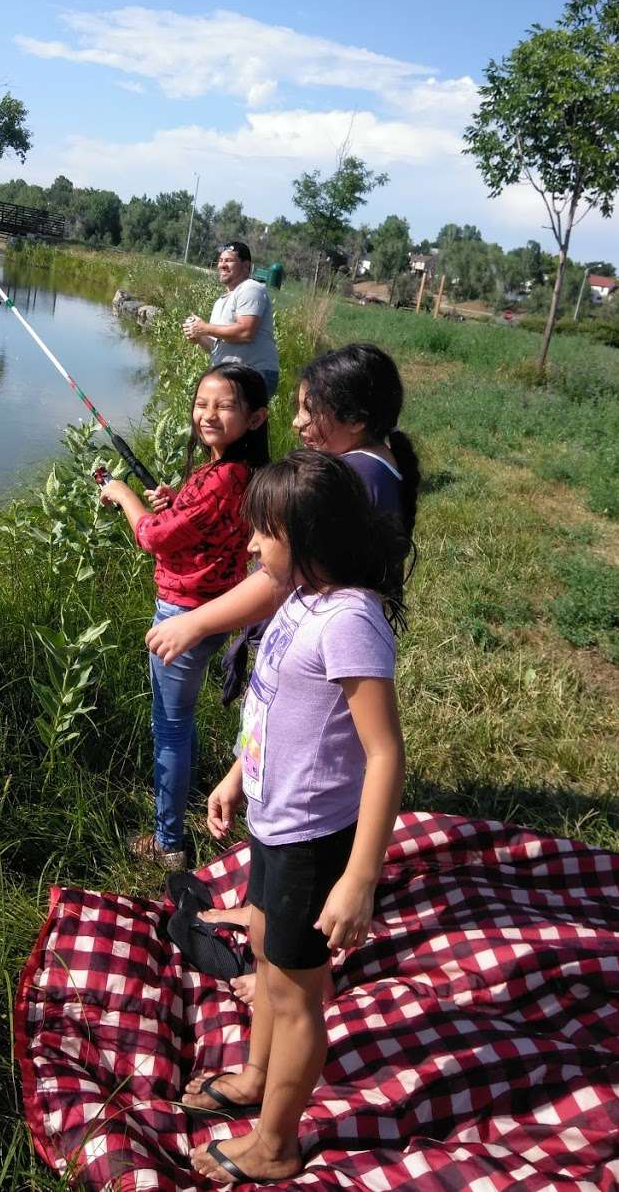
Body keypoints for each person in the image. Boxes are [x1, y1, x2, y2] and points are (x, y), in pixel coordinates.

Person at [149, 341, 419, 1000]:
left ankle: (290, 962)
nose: (296, 424)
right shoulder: (369, 463)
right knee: (281, 800)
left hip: (320, 669)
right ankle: (270, 920)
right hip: (309, 671)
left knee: (307, 806)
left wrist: (197, 619)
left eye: (310, 410)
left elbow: (276, 578)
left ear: (351, 416)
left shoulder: (357, 480)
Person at [184, 450, 407, 1186]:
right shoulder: (301, 599)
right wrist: (235, 778)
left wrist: (358, 880)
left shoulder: (350, 619)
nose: (250, 545)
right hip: (275, 824)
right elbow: (274, 705)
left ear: (308, 534)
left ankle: (275, 1143)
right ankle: (253, 1077)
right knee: (263, 953)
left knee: (295, 992)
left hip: (315, 842)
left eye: (264, 532)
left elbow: (383, 755)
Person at [99, 364, 269, 871]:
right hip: (215, 607)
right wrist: (175, 504)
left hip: (184, 615)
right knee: (182, 716)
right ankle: (188, 791)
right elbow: (204, 523)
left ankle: (168, 843)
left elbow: (152, 537)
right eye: (202, 404)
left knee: (168, 726)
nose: (208, 415)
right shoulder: (238, 471)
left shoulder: (222, 477)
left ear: (256, 418)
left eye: (224, 406)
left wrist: (124, 495)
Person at [183, 241, 281, 399]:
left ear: (246, 266)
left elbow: (245, 332)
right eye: (220, 261)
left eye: (228, 260)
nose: (222, 265)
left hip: (253, 373)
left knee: (238, 423)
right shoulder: (220, 302)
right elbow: (216, 347)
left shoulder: (251, 288)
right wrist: (199, 336)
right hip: (231, 375)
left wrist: (205, 328)